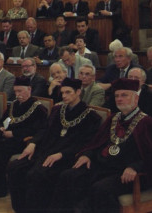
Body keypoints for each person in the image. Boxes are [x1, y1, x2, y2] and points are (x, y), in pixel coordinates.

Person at [58, 79, 152, 213]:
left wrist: (135, 167)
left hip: (129, 174)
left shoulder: (147, 123)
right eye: (116, 96)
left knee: (100, 189)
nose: (119, 99)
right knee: (68, 176)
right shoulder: (113, 118)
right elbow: (97, 142)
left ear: (136, 98)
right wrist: (88, 155)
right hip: (104, 167)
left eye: (124, 95)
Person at [7, 77, 101, 213]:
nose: (64, 96)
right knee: (15, 167)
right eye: (62, 93)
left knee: (36, 174)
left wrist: (61, 154)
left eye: (68, 92)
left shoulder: (91, 116)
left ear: (78, 92)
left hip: (67, 157)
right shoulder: (58, 110)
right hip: (46, 150)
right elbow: (44, 130)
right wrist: (33, 143)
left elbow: (86, 143)